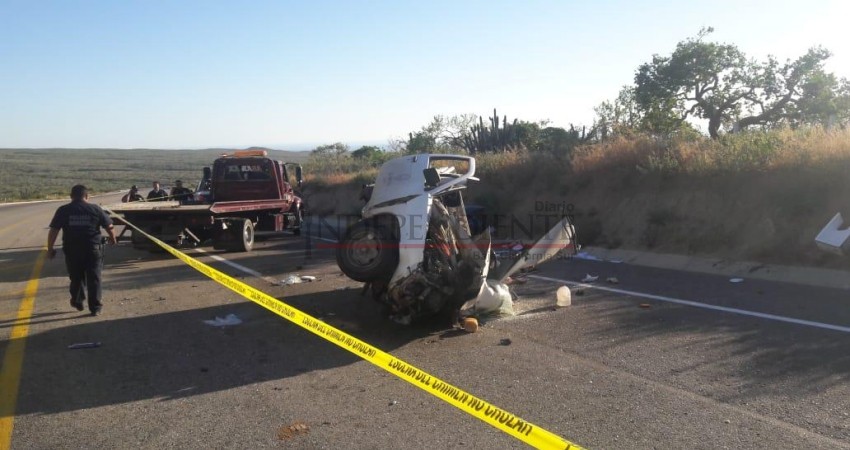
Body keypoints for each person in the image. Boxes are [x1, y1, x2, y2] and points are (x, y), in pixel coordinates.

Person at [47, 184, 117, 316]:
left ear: (71, 196)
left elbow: (54, 230)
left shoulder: (63, 210)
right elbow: (109, 226)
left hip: (72, 250)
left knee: (76, 277)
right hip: (93, 249)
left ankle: (78, 301)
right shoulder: (95, 208)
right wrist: (113, 238)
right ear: (87, 196)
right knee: (94, 277)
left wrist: (50, 249)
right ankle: (95, 307)